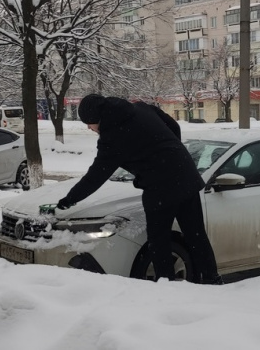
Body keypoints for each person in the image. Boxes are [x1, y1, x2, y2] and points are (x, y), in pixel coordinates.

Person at [56, 94, 222, 285]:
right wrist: (170, 153)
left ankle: (166, 285)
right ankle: (212, 279)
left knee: (159, 241)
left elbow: (96, 176)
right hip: (185, 174)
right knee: (196, 234)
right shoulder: (139, 108)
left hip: (160, 187)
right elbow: (173, 126)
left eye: (89, 123)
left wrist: (70, 198)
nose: (89, 128)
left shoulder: (113, 137)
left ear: (97, 118)